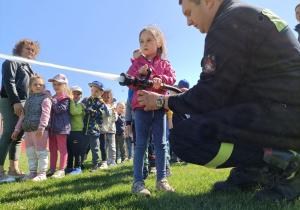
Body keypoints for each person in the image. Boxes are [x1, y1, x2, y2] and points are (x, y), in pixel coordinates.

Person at [137, 0, 300, 203]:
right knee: (208, 116)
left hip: (284, 114)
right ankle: (255, 167)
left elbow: (207, 97)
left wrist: (161, 101)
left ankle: (284, 163)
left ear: (207, 2)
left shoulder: (227, 23)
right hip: (283, 109)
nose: (188, 22)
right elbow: (220, 92)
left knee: (184, 138)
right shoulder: (240, 13)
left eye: (189, 13)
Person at [127, 25, 176, 197]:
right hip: (141, 108)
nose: (144, 44)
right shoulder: (136, 63)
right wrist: (139, 76)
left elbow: (172, 78)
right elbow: (130, 82)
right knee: (140, 144)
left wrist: (159, 78)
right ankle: (138, 182)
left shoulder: (164, 64)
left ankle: (161, 180)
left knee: (161, 144)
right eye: (142, 41)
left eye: (149, 40)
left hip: (160, 109)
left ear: (159, 43)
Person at [0, 39, 40, 183]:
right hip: (10, 101)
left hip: (24, 103)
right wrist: (15, 101)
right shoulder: (11, 61)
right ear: (19, 50)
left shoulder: (28, 67)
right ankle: (0, 172)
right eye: (27, 49)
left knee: (17, 136)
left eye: (33, 50)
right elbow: (8, 82)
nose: (31, 52)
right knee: (8, 134)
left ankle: (14, 169)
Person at [11, 74, 51, 182]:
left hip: (39, 131)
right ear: (30, 87)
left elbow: (45, 114)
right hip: (28, 131)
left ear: (44, 87)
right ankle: (32, 173)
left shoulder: (45, 99)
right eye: (35, 84)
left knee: (40, 152)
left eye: (41, 85)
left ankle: (42, 173)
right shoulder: (28, 100)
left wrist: (42, 127)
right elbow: (22, 116)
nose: (38, 86)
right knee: (30, 153)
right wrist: (16, 130)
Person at [46, 73, 71, 178]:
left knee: (62, 148)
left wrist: (52, 100)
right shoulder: (52, 97)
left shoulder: (65, 97)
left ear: (65, 85)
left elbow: (60, 109)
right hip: (52, 127)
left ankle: (61, 169)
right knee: (52, 148)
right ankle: (52, 168)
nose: (56, 86)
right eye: (54, 84)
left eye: (59, 84)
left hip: (62, 127)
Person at [80, 81, 104, 172]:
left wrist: (87, 109)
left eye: (96, 91)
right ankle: (79, 164)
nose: (93, 93)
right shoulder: (86, 100)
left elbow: (98, 114)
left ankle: (95, 165)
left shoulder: (100, 102)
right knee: (83, 147)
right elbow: (79, 106)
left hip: (94, 129)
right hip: (85, 128)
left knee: (95, 148)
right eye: (92, 90)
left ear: (101, 93)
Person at [65, 86, 85, 175]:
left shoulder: (80, 106)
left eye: (78, 94)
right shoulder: (68, 104)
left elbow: (73, 112)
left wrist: (71, 101)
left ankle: (78, 167)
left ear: (81, 96)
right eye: (74, 93)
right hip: (68, 130)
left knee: (77, 151)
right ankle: (69, 167)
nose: (76, 95)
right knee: (69, 150)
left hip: (77, 131)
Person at [101, 89, 117, 168]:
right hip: (103, 130)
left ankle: (113, 160)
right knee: (104, 146)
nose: (106, 98)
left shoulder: (113, 107)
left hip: (111, 130)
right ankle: (105, 160)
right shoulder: (101, 106)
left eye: (108, 97)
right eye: (105, 97)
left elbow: (115, 118)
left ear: (111, 98)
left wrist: (113, 113)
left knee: (112, 146)